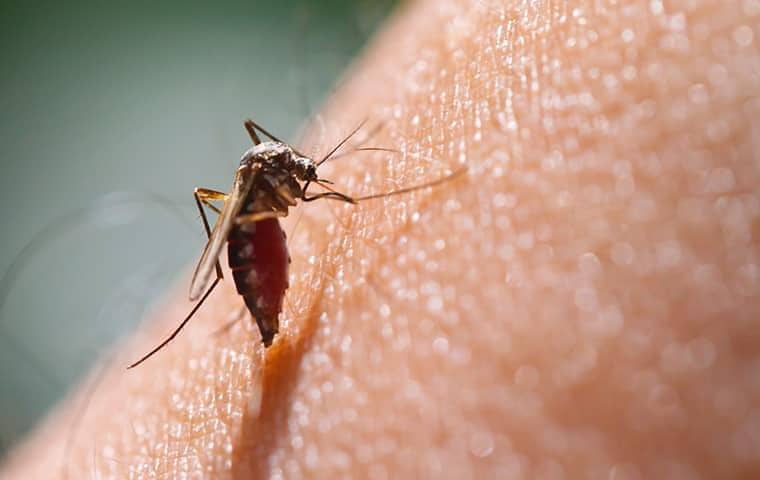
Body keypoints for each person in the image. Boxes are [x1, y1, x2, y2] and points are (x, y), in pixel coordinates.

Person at [3, 0, 758, 477]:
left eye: (298, 171)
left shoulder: (276, 166)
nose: (308, 178)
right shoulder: (262, 189)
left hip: (252, 212)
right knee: (241, 219)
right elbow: (257, 196)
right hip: (243, 240)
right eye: (300, 172)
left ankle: (252, 306)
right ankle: (248, 310)